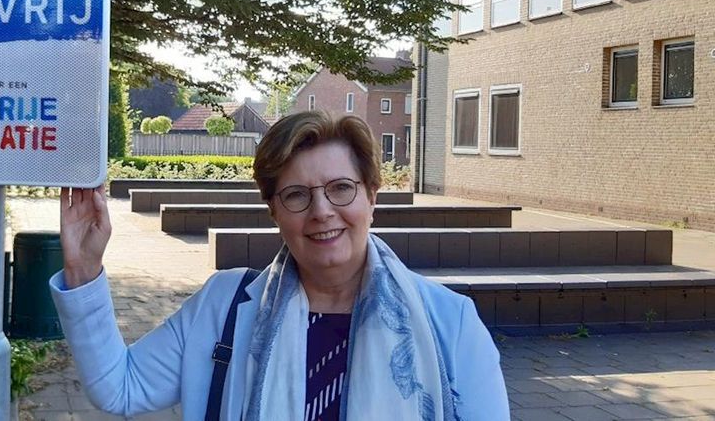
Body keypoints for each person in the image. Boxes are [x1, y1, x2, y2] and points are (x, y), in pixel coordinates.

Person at [50, 111, 508, 420]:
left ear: (372, 196)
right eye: (296, 195)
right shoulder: (223, 306)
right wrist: (83, 272)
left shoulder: (450, 325)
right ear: (274, 211)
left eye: (341, 188)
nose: (322, 210)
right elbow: (119, 387)